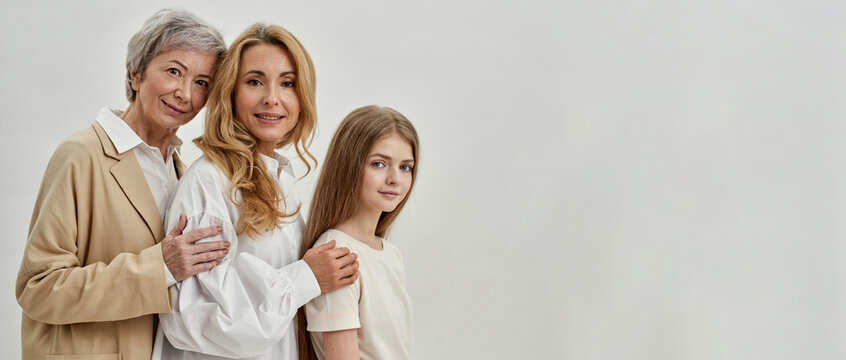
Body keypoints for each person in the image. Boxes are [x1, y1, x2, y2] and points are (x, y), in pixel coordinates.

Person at [15, 9, 231, 360]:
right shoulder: (81, 155)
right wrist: (158, 267)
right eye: (174, 71)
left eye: (202, 82)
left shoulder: (182, 171)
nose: (184, 93)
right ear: (136, 73)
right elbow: (37, 289)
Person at [153, 23, 359, 360]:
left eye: (287, 83)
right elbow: (207, 320)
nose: (272, 98)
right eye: (255, 81)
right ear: (230, 92)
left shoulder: (279, 179)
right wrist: (306, 277)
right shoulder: (209, 182)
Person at [302, 105, 419, 360]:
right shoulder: (336, 254)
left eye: (405, 167)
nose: (395, 179)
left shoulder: (390, 254)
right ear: (349, 165)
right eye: (379, 164)